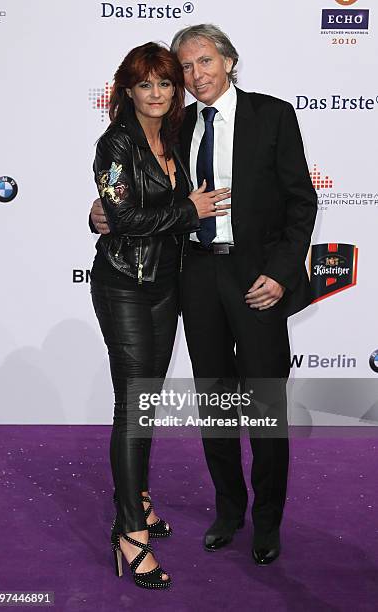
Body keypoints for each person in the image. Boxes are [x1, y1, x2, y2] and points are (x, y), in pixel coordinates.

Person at [90, 25, 317, 567]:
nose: (194, 77)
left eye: (204, 62)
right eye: (185, 68)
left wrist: (283, 274)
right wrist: (99, 214)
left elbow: (301, 203)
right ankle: (229, 510)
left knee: (263, 405)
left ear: (230, 61)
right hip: (192, 277)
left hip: (256, 278)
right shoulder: (177, 122)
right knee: (216, 403)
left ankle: (267, 522)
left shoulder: (273, 114)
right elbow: (137, 194)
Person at [90, 41, 231, 589]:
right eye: (145, 83)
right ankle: (130, 534)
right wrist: (187, 210)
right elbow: (121, 217)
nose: (157, 93)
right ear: (127, 90)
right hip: (124, 284)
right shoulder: (115, 143)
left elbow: (121, 213)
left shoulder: (177, 134)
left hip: (166, 284)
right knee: (133, 404)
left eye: (166, 83)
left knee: (145, 402)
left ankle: (138, 500)